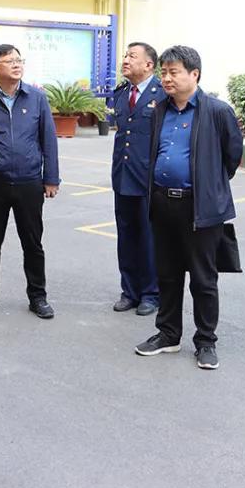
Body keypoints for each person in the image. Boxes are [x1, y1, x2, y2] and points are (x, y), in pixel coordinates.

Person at [134, 46, 242, 370]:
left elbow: (231, 157)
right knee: (167, 274)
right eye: (164, 72)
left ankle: (206, 341)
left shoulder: (217, 111)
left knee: (203, 279)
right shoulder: (159, 110)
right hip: (163, 203)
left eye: (174, 72)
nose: (166, 78)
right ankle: (168, 334)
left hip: (200, 206)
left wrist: (208, 185)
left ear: (194, 74)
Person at [0, 44, 61, 320]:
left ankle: (38, 297)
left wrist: (51, 178)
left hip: (29, 182)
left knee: (33, 243)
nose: (17, 65)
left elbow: (48, 140)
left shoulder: (37, 99)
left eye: (19, 60)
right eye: (10, 61)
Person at [110, 42, 163, 315]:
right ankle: (129, 291)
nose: (126, 60)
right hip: (123, 176)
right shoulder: (121, 93)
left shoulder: (162, 94)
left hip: (149, 180)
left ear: (149, 65)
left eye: (132, 56)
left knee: (149, 237)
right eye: (125, 55)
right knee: (126, 236)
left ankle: (151, 294)